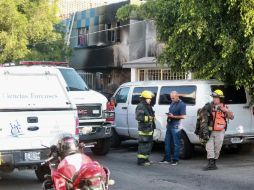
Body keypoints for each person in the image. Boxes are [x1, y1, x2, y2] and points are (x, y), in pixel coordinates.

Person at [201, 89, 234, 170]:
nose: (214, 99)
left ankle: (214, 163)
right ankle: (210, 163)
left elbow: (232, 117)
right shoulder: (208, 106)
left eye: (216, 97)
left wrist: (226, 111)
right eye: (213, 97)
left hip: (220, 131)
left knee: (217, 148)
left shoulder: (225, 107)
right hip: (210, 131)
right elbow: (203, 118)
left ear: (220, 98)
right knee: (209, 147)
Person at [160, 91, 186, 166]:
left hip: (176, 126)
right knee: (167, 142)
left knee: (176, 143)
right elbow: (170, 113)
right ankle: (167, 159)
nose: (172, 99)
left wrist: (173, 116)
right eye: (171, 98)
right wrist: (167, 121)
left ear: (177, 96)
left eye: (173, 98)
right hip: (170, 125)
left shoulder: (182, 104)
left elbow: (183, 116)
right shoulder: (172, 103)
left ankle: (175, 159)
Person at [135, 90, 155, 166]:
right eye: (149, 98)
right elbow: (139, 117)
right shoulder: (141, 106)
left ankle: (146, 159)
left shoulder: (147, 106)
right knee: (144, 144)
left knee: (148, 145)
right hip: (144, 129)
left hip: (149, 128)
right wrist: (149, 118)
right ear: (145, 98)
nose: (150, 100)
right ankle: (141, 161)